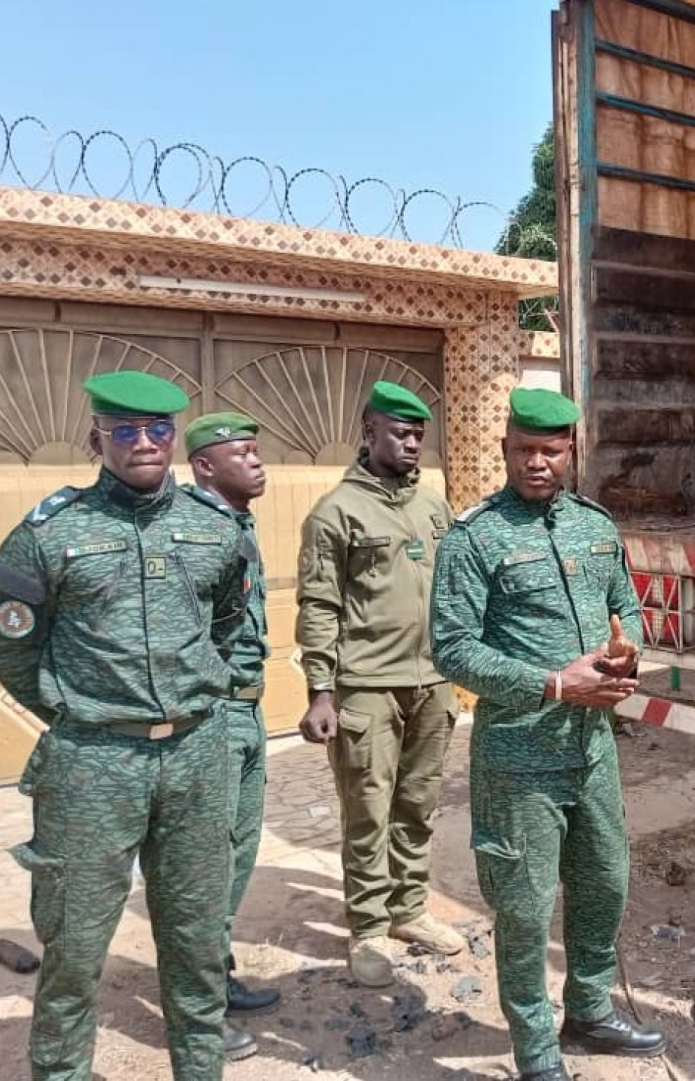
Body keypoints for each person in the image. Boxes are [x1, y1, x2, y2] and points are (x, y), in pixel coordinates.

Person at [0, 370, 250, 1081]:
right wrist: (74, 709)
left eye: (158, 429)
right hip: (91, 763)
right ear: (97, 437)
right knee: (74, 944)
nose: (144, 443)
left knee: (196, 941)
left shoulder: (214, 526)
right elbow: (9, 639)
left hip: (197, 754)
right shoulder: (52, 532)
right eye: (125, 431)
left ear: (174, 436)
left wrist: (196, 696)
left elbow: (226, 621)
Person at [429, 387, 667, 1081]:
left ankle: (589, 1010)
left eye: (551, 449)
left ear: (571, 452)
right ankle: (536, 1049)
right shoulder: (475, 537)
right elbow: (451, 647)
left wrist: (628, 650)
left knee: (605, 879)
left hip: (591, 747)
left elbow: (626, 603)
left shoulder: (596, 525)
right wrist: (556, 682)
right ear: (505, 448)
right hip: (518, 753)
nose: (538, 462)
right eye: (525, 449)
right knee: (525, 904)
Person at [295, 380, 463, 988]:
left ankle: (409, 910)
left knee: (418, 805)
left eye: (419, 432)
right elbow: (318, 604)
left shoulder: (434, 505)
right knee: (368, 811)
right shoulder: (336, 512)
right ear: (368, 433)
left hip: (432, 682)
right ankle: (368, 927)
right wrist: (320, 690)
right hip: (365, 685)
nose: (412, 442)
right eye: (399, 431)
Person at [183, 412, 281, 1036]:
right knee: (206, 864)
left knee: (238, 854)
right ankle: (195, 1004)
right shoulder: (194, 531)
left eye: (255, 449)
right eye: (241, 452)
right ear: (203, 466)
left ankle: (213, 975)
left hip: (247, 709)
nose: (256, 461)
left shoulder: (235, 524)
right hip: (215, 715)